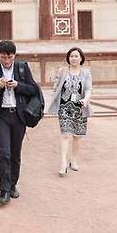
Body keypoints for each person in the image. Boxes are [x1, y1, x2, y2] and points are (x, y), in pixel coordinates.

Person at [0, 40, 38, 206]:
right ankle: (4, 190)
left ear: (14, 56)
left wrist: (18, 85)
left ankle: (13, 183)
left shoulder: (22, 68)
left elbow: (33, 89)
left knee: (15, 154)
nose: (6, 60)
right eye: (3, 57)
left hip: (19, 116)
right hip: (2, 117)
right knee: (4, 153)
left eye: (9, 57)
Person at [47, 47, 93, 176]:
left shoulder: (86, 73)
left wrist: (86, 99)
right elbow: (56, 87)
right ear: (68, 58)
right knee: (65, 134)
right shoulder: (62, 71)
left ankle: (74, 159)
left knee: (77, 136)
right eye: (71, 56)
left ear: (81, 58)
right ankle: (63, 163)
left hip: (80, 107)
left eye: (76, 56)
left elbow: (89, 89)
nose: (73, 58)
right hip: (64, 107)